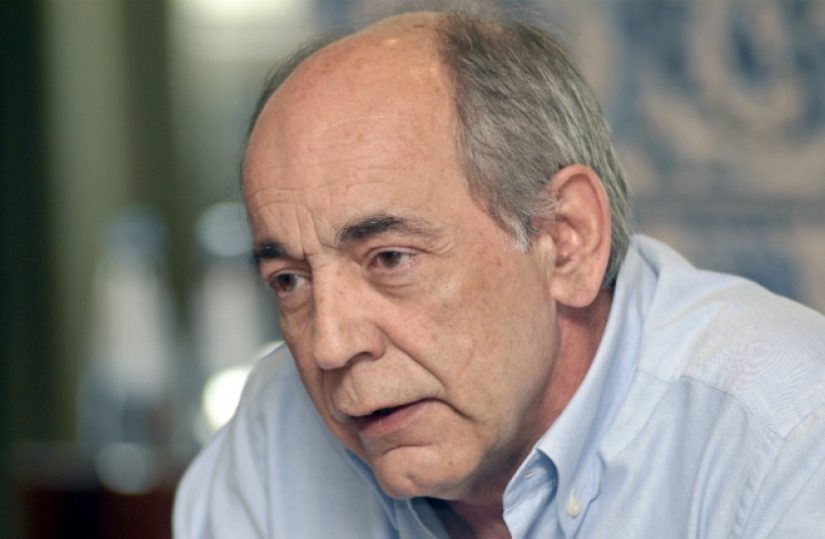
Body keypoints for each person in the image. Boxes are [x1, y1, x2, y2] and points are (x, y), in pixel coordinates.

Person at [174, 8, 825, 538]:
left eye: (390, 258)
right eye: (289, 280)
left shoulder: (788, 437)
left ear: (566, 241)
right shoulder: (273, 434)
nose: (330, 344)